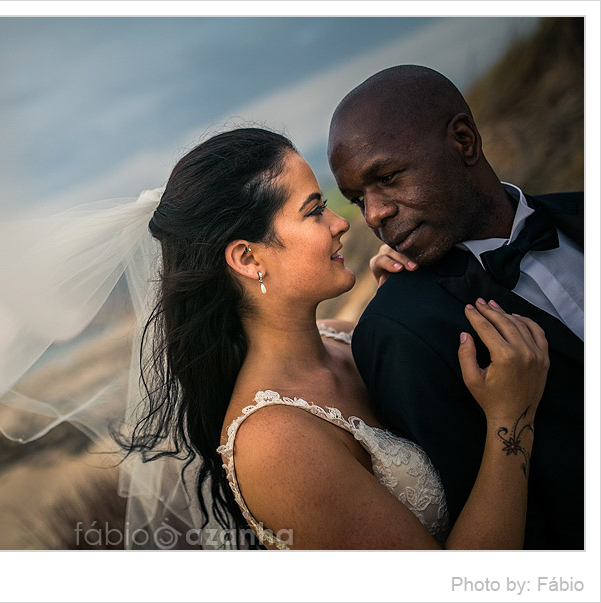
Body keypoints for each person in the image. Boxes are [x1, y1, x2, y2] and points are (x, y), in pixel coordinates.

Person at [121, 127, 550, 549]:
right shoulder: (275, 445)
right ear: (248, 258)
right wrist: (512, 420)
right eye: (313, 211)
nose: (342, 223)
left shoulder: (347, 339)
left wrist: (404, 313)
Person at [327, 65, 583, 549]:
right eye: (359, 198)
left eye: (387, 177)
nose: (374, 213)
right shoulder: (401, 330)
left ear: (464, 141)